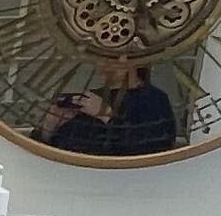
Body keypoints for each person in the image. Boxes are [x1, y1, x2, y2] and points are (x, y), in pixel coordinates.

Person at [39, 61, 183, 157]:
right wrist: (50, 127)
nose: (106, 63)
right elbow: (60, 148)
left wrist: (107, 116)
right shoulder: (93, 97)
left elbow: (152, 150)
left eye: (115, 57)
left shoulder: (153, 100)